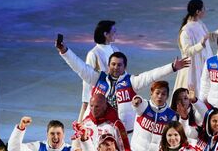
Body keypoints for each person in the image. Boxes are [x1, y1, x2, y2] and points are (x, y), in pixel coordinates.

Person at [56, 35, 189, 132]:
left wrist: (172, 67)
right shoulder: (98, 78)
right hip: (97, 129)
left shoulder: (131, 81)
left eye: (119, 65)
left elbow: (151, 75)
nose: (116, 67)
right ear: (108, 65)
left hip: (121, 131)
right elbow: (79, 67)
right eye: (113, 64)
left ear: (125, 67)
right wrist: (64, 51)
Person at [174, 0, 218, 94]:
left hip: (202, 63)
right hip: (193, 68)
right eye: (203, 9)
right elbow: (187, 51)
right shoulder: (186, 30)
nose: (205, 11)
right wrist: (200, 45)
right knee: (193, 93)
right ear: (198, 12)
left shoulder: (199, 23)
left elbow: (206, 36)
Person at [78, 20, 119, 121]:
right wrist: (86, 101)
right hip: (99, 97)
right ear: (105, 34)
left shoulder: (115, 50)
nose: (116, 34)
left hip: (114, 96)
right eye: (113, 31)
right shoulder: (94, 53)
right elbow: (87, 79)